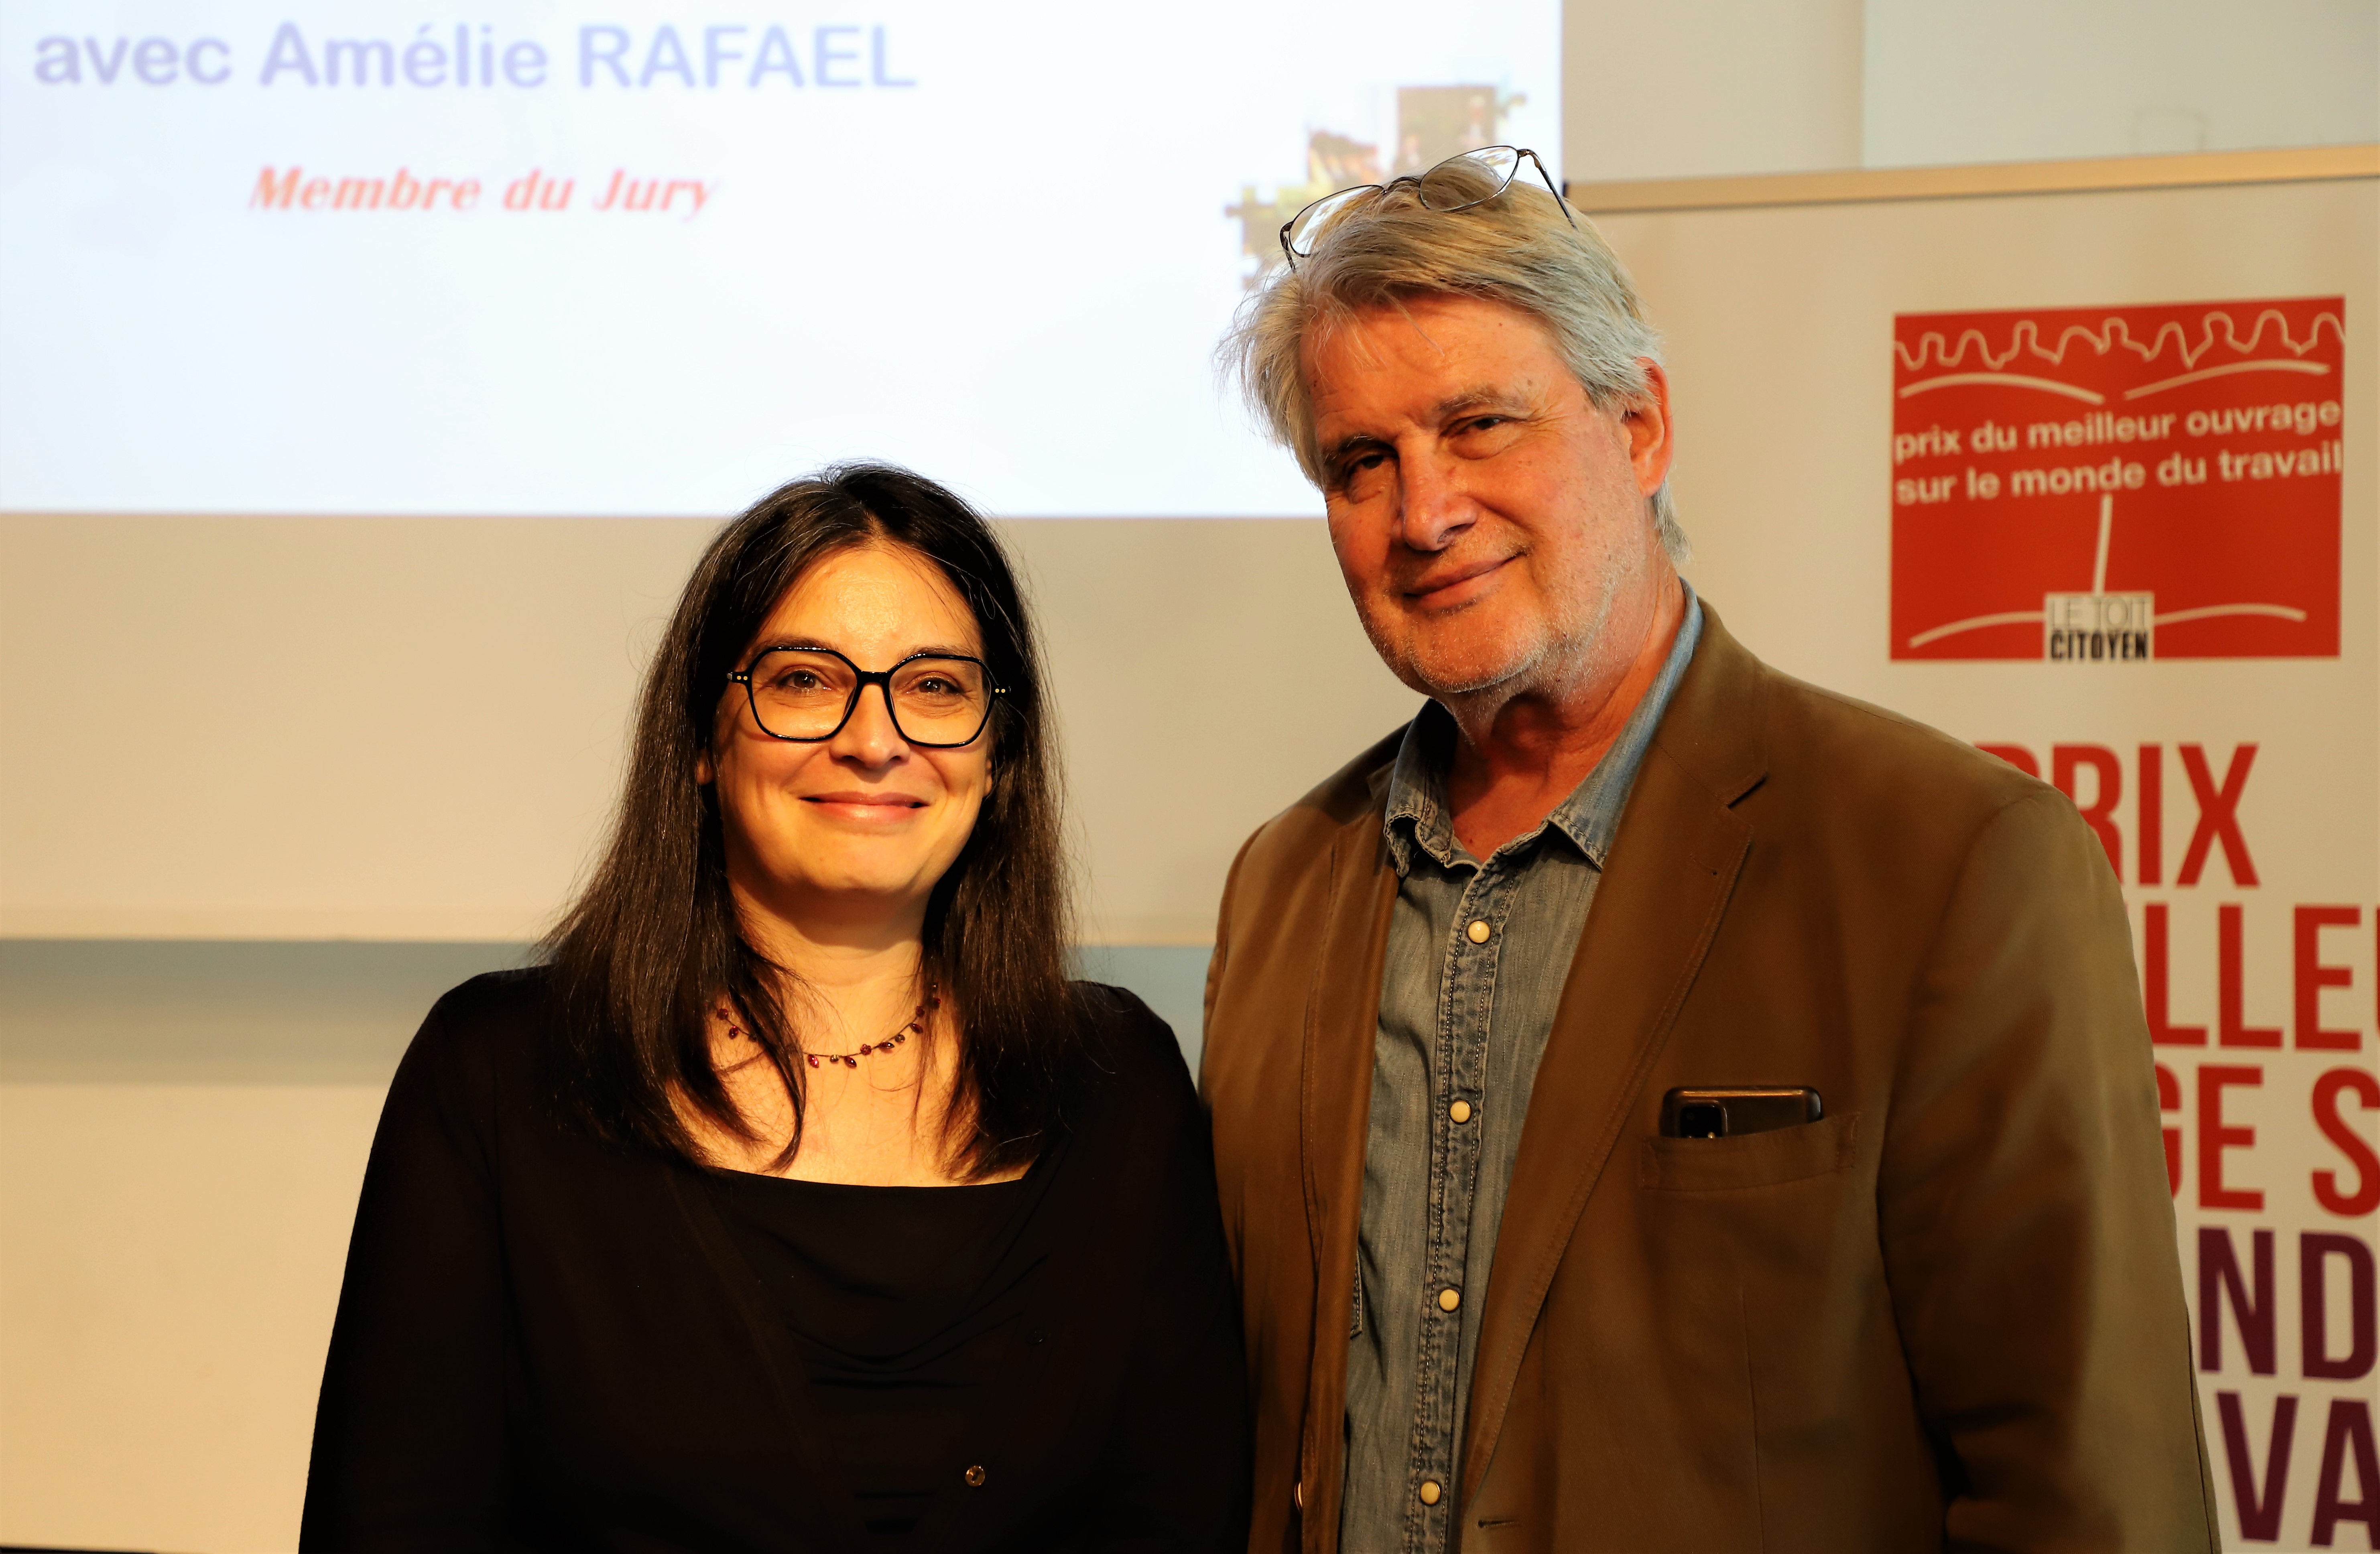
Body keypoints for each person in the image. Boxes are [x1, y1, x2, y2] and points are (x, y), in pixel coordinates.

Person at [1203, 148, 2214, 1551]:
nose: (1422, 514)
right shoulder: (1283, 888)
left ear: (1638, 427)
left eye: (1480, 424)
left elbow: (2090, 1500)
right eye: (1359, 461)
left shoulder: (1952, 863)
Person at [302, 465, 1250, 1551]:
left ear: (1000, 759)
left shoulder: (1116, 1078)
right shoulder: (504, 1073)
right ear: (706, 738)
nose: (874, 737)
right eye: (805, 680)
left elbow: (1182, 1518)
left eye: (936, 686)